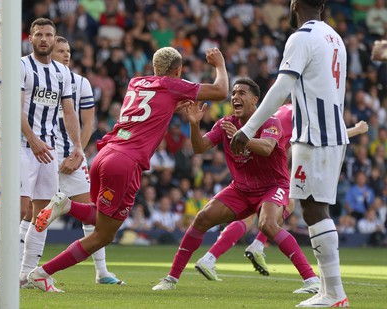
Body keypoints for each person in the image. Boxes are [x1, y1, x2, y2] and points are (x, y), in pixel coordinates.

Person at [27, 46, 228, 292]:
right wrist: (219, 64)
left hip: (106, 153)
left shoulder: (137, 82)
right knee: (103, 235)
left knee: (100, 216)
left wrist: (172, 107)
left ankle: (66, 205)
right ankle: (42, 273)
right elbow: (221, 91)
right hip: (125, 163)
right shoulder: (172, 84)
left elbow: (151, 110)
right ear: (178, 70)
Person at [230, 0, 349, 307]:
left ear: (295, 4)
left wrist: (248, 128)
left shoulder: (301, 37)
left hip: (314, 134)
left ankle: (334, 294)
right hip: (333, 130)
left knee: (313, 209)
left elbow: (282, 86)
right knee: (314, 208)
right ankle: (329, 290)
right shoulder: (334, 37)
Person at [152, 78, 318, 294]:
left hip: (273, 186)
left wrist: (240, 137)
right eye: (234, 93)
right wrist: (194, 124)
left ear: (255, 99)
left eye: (242, 93)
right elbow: (200, 148)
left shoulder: (270, 121)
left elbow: (267, 148)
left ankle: (312, 281)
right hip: (241, 189)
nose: (235, 97)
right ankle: (171, 279)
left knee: (267, 224)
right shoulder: (225, 124)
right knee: (202, 218)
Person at [198, 118, 368, 283]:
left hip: (258, 165)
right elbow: (326, 136)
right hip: (264, 169)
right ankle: (237, 251)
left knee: (283, 206)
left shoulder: (277, 111)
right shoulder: (298, 112)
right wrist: (357, 130)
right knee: (262, 213)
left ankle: (225, 254)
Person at [0, 18, 84, 290]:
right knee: (17, 210)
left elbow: (68, 111)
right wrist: (33, 139)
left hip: (49, 151)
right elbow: (14, 107)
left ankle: (28, 274)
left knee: (43, 214)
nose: (44, 39)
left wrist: (77, 146)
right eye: (39, 34)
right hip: (21, 146)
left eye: (49, 35)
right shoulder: (20, 66)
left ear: (54, 39)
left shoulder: (62, 73)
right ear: (30, 38)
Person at [51, 36, 122, 284]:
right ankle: (16, 270)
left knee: (92, 212)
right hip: (41, 152)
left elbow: (88, 122)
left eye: (68, 50)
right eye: (60, 51)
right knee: (30, 211)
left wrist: (77, 151)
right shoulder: (38, 79)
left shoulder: (81, 83)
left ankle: (102, 272)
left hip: (72, 153)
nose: (66, 54)